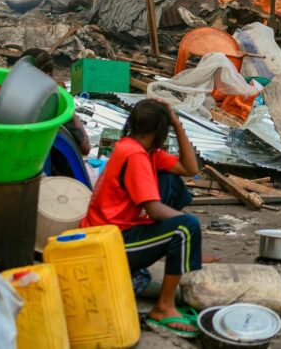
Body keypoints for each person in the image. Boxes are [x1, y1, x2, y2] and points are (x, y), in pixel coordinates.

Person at [80, 98, 204, 339]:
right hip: (107, 244)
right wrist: (189, 231)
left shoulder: (138, 148)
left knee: (171, 182)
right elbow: (156, 211)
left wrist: (177, 123)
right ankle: (164, 306)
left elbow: (190, 169)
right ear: (159, 131)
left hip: (112, 232)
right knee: (186, 228)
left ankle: (181, 251)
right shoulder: (135, 155)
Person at [20, 48, 91, 155]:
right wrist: (71, 113)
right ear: (50, 74)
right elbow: (85, 148)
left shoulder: (4, 94)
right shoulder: (54, 106)